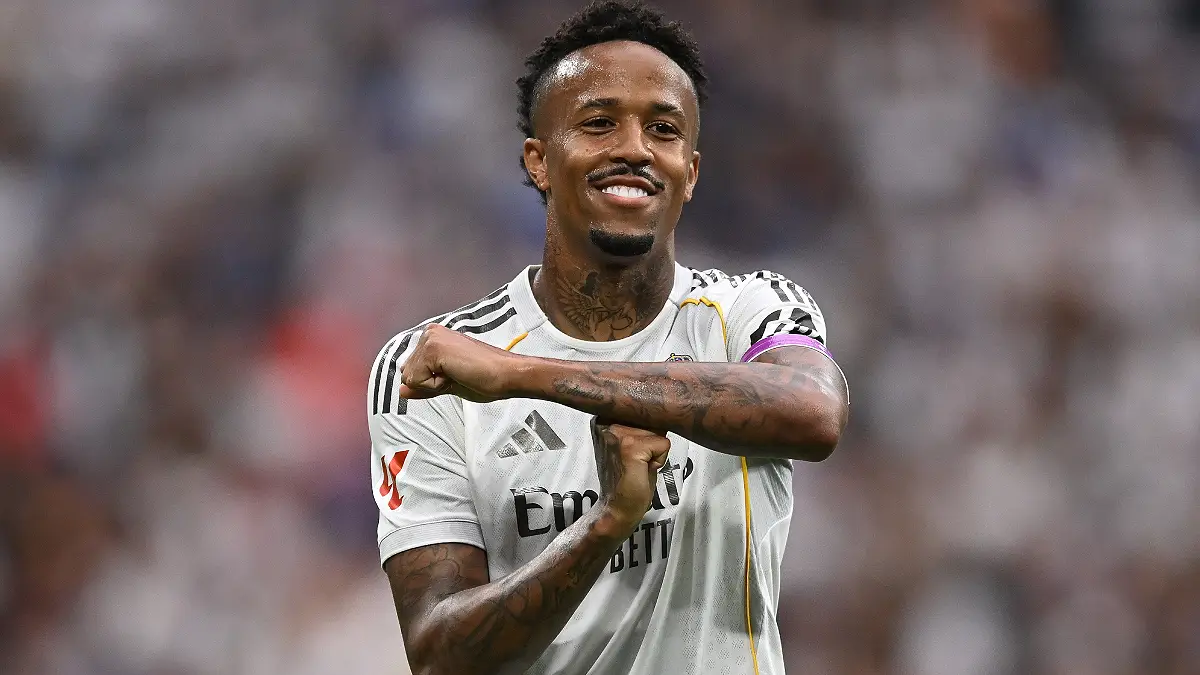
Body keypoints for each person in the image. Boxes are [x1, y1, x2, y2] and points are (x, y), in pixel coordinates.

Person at [367, 2, 849, 673]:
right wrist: (607, 521)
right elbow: (440, 657)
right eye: (599, 123)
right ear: (539, 161)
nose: (634, 147)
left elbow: (812, 411)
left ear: (692, 170)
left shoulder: (751, 309)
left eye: (663, 129)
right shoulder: (425, 367)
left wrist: (526, 376)